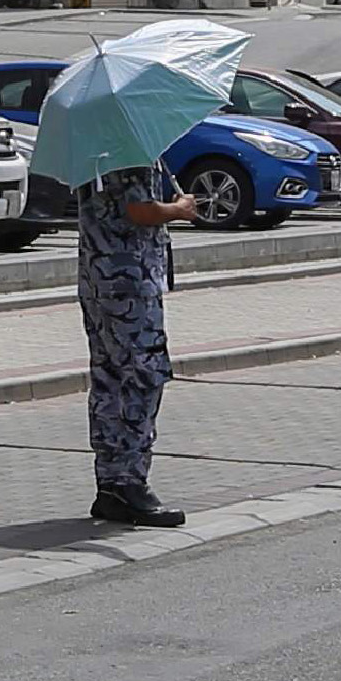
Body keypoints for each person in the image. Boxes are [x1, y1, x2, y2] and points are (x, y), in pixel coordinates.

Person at [82, 157, 199, 525]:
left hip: (99, 277)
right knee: (142, 378)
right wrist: (179, 209)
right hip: (129, 282)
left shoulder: (94, 147)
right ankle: (129, 483)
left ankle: (111, 484)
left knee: (109, 378)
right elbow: (139, 210)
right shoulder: (127, 147)